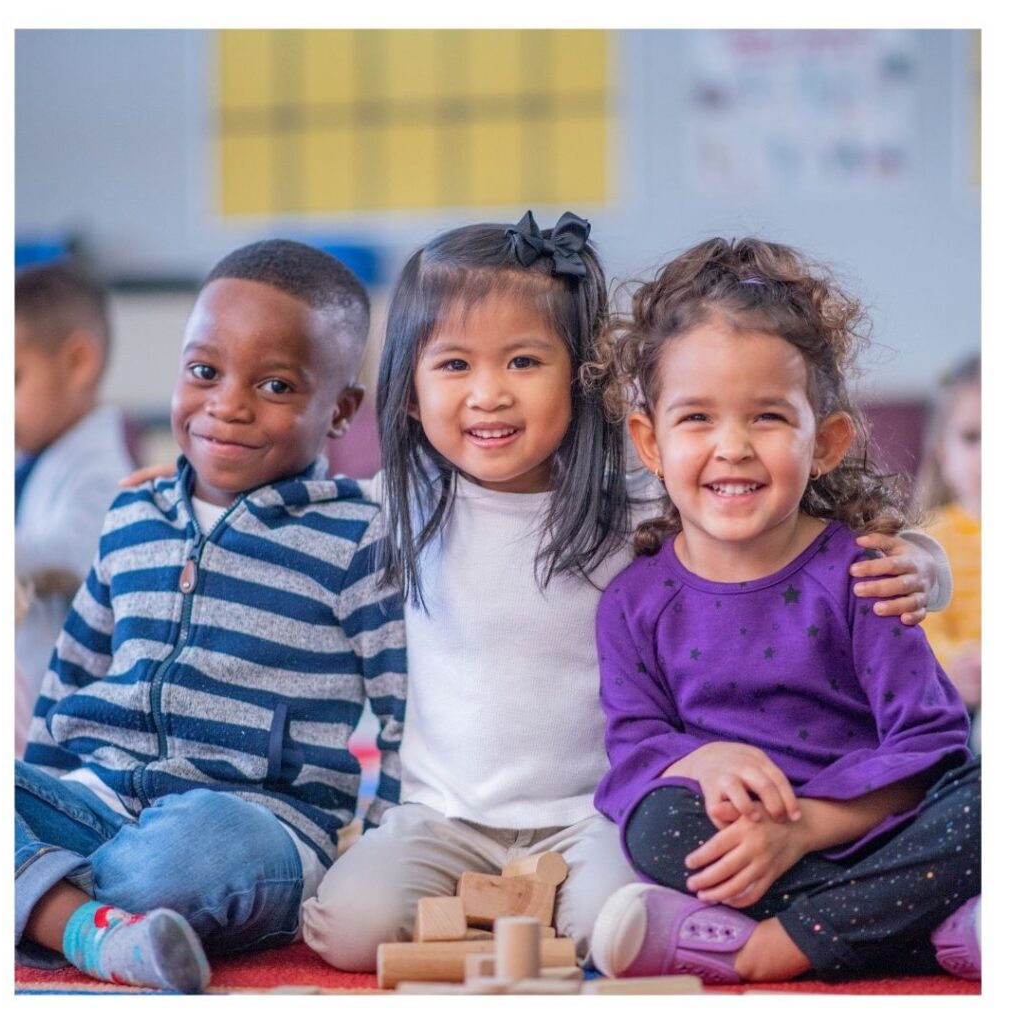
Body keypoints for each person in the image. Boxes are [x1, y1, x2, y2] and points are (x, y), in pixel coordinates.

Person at [299, 214, 952, 971]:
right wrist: (198, 491)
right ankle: (496, 913)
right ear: (408, 391)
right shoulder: (402, 504)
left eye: (521, 362)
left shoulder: (640, 498)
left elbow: (793, 521)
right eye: (453, 367)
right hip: (441, 815)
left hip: (598, 812)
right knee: (349, 932)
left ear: (582, 379)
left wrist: (921, 563)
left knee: (617, 928)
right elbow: (294, 509)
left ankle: (555, 921)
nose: (488, 395)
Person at [586, 237, 980, 984]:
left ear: (825, 442)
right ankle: (920, 926)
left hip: (876, 828)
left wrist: (805, 829)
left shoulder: (867, 574)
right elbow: (633, 752)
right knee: (656, 825)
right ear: (650, 442)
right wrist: (699, 759)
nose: (732, 447)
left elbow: (931, 747)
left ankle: (782, 940)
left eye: (767, 417)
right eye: (696, 419)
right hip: (744, 845)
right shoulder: (633, 602)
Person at [16, 240, 405, 992]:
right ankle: (91, 929)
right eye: (204, 372)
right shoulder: (132, 511)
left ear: (341, 411)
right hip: (99, 796)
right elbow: (76, 666)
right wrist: (45, 790)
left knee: (185, 856)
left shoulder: (356, 536)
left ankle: (41, 899)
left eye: (275, 385)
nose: (227, 404)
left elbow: (403, 708)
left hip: (255, 821)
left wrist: (383, 841)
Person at [15, 262, 136, 715]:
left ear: (78, 363)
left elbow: (70, 556)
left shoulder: (101, 469)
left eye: (12, 380)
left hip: (61, 727)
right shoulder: (38, 455)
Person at [916, 355, 981, 752]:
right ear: (943, 452)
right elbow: (919, 626)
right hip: (961, 706)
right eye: (973, 437)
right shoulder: (927, 541)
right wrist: (952, 666)